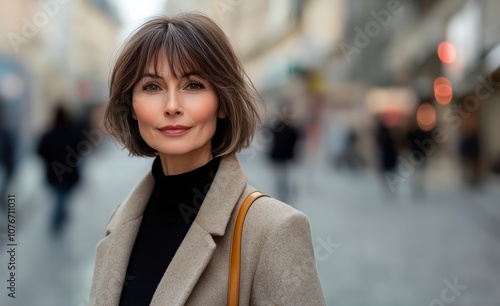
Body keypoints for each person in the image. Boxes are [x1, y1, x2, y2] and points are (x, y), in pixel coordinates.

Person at [89, 13, 325, 306]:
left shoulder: (273, 230)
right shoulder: (120, 222)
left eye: (193, 85)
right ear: (132, 108)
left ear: (222, 104)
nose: (172, 106)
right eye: (152, 87)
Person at [37, 105, 84, 233]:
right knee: (61, 197)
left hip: (55, 173)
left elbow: (40, 151)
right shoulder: (73, 133)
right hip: (68, 173)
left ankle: (60, 216)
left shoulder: (49, 134)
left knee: (61, 196)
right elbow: (81, 148)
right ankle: (58, 218)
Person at [268, 105, 300, 203]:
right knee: (279, 179)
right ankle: (280, 196)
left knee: (285, 179)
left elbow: (295, 140)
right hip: (277, 156)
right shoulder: (278, 126)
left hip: (285, 157)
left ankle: (285, 197)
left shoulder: (292, 129)